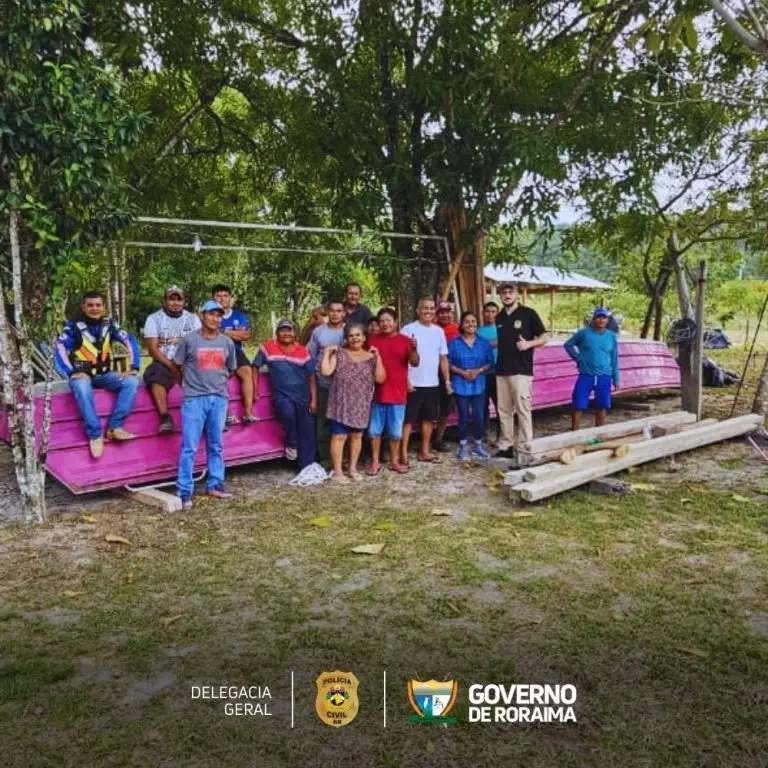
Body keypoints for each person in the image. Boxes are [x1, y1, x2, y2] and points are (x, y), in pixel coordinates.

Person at [54, 291, 141, 459]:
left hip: (104, 375)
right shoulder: (73, 327)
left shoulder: (110, 324)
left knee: (130, 382)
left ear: (104, 307)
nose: (95, 309)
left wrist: (134, 366)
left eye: (98, 305)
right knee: (82, 387)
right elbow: (59, 347)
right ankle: (94, 434)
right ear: (83, 307)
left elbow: (129, 340)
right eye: (90, 305)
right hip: (82, 376)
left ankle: (115, 427)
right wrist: (72, 372)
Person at [171, 300, 237, 509]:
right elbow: (176, 366)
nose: (215, 319)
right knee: (189, 446)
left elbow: (231, 369)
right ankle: (184, 490)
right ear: (202, 315)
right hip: (194, 399)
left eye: (219, 315)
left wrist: (218, 387)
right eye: (211, 314)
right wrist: (187, 386)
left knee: (216, 444)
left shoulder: (226, 342)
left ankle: (215, 484)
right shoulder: (190, 341)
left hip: (218, 398)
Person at [320, 324, 386, 483]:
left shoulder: (371, 357)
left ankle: (352, 468)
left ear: (364, 337)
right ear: (346, 338)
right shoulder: (340, 354)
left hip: (361, 405)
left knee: (357, 437)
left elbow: (380, 379)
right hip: (341, 403)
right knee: (339, 437)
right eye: (351, 335)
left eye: (358, 335)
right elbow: (326, 372)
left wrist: (379, 357)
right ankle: (338, 472)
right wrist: (327, 354)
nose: (354, 338)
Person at [252, 320, 317, 469]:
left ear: (295, 334)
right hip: (282, 395)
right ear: (277, 333)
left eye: (289, 331)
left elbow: (311, 377)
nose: (286, 333)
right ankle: (291, 443)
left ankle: (306, 467)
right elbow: (254, 368)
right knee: (287, 413)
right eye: (283, 330)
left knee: (307, 430)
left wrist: (314, 400)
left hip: (303, 397)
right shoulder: (267, 348)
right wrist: (255, 390)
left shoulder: (303, 351)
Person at [494, 282, 548, 458]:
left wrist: (529, 344)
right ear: (499, 295)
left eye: (510, 292)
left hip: (521, 370)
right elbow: (503, 340)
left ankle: (525, 446)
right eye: (504, 292)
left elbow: (544, 337)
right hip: (502, 369)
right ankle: (506, 446)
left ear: (516, 294)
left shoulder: (528, 313)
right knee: (503, 410)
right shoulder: (500, 317)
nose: (507, 295)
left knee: (523, 408)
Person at [367, 308, 419, 475]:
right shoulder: (372, 341)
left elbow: (415, 363)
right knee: (375, 430)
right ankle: (375, 462)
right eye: (382, 321)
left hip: (397, 393)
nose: (385, 323)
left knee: (395, 432)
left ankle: (393, 461)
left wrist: (414, 349)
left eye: (388, 320)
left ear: (396, 322)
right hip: (377, 393)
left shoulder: (405, 341)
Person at [143, 285, 201, 433]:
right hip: (164, 360)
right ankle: (165, 417)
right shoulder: (153, 319)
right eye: (172, 299)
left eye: (179, 299)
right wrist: (171, 365)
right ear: (164, 301)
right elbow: (153, 349)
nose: (176, 303)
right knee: (155, 374)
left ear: (184, 301)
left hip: (187, 360)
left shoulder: (193, 319)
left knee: (207, 371)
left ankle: (216, 413)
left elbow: (198, 343)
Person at [400, 298, 452, 465]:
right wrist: (406, 381)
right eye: (425, 308)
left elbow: (443, 358)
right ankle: (403, 454)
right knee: (408, 420)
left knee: (428, 419)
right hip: (413, 382)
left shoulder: (438, 332)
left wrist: (447, 381)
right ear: (418, 310)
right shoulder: (408, 330)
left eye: (431, 308)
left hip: (432, 382)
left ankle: (424, 451)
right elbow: (400, 359)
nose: (428, 311)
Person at [448, 312, 495, 460]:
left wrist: (478, 371)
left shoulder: (483, 343)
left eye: (473, 321)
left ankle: (478, 445)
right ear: (461, 325)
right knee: (462, 416)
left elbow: (490, 362)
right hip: (460, 384)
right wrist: (461, 372)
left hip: (479, 384)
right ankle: (463, 446)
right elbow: (446, 362)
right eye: (467, 322)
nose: (471, 324)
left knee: (479, 416)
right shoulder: (454, 343)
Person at [564, 307, 620, 431]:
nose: (601, 320)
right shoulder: (584, 333)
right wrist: (578, 358)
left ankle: (598, 432)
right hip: (586, 375)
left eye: (604, 317)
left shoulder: (611, 337)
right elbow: (568, 345)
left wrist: (616, 378)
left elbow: (615, 358)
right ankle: (574, 431)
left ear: (607, 320)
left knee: (602, 405)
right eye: (598, 317)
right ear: (594, 319)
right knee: (578, 403)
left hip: (604, 375)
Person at [211, 284, 257, 425]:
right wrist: (234, 333)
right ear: (213, 298)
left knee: (247, 370)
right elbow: (211, 334)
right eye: (218, 296)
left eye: (225, 295)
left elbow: (245, 335)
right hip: (215, 351)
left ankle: (248, 413)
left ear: (230, 298)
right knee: (218, 374)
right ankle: (226, 413)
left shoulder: (239, 316)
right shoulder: (210, 315)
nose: (222, 299)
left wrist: (223, 332)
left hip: (235, 351)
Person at [307, 299, 346, 463]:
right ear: (327, 312)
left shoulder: (350, 331)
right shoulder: (319, 332)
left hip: (345, 385)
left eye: (339, 311)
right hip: (323, 384)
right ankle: (325, 459)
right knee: (323, 423)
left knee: (344, 422)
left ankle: (344, 458)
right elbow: (311, 357)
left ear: (344, 313)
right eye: (332, 310)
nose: (335, 314)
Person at [433, 300, 460, 452]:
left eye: (447, 312)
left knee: (446, 407)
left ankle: (439, 438)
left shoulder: (457, 329)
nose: (445, 315)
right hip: (432, 373)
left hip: (452, 373)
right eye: (441, 312)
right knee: (431, 407)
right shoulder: (433, 329)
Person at [477, 301, 499, 443]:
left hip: (499, 372)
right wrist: (492, 343)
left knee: (500, 405)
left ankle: (501, 433)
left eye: (493, 311)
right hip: (482, 373)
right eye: (487, 311)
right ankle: (485, 433)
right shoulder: (478, 331)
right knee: (482, 405)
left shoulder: (502, 329)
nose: (490, 314)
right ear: (483, 313)